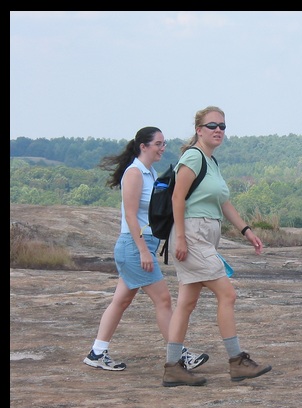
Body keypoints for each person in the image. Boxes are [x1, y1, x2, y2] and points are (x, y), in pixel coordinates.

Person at [83, 126, 209, 372]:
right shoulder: (134, 173)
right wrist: (142, 250)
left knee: (120, 301)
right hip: (134, 246)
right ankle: (179, 355)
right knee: (163, 299)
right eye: (158, 144)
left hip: (141, 245)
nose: (163, 148)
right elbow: (131, 216)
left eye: (164, 143)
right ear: (144, 146)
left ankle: (97, 352)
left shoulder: (149, 172)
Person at [163, 106, 271, 387]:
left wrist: (246, 230)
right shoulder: (193, 157)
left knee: (186, 303)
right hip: (192, 233)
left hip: (205, 233)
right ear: (199, 130)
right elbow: (177, 198)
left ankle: (173, 367)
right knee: (228, 294)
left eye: (223, 126)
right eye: (213, 126)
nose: (219, 130)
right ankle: (237, 362)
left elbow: (224, 203)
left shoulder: (211, 162)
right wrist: (182, 239)